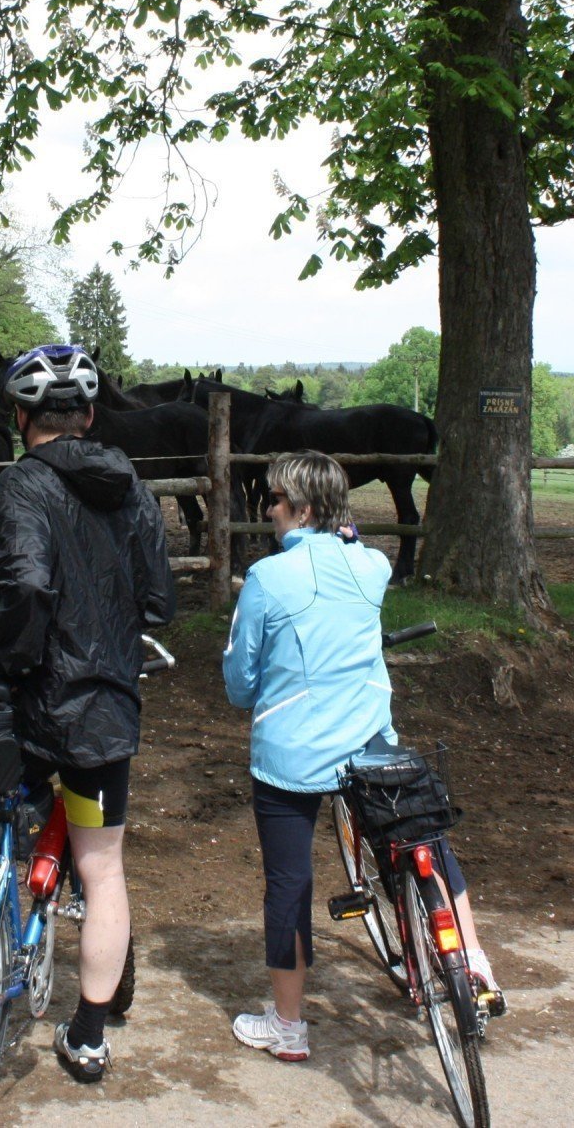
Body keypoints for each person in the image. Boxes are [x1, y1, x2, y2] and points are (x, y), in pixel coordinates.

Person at [0, 344, 175, 1084]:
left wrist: (11, 659)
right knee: (102, 867)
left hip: (33, 700)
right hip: (103, 705)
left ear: (20, 419)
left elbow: (27, 586)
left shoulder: (22, 484)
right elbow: (160, 599)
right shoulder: (132, 487)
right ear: (91, 414)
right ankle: (87, 1034)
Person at [222, 451, 492, 1063]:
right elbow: (358, 554)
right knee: (424, 836)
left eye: (274, 498)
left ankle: (288, 1027)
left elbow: (240, 683)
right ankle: (470, 958)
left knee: (288, 883)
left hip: (291, 756)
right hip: (369, 742)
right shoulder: (372, 567)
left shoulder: (268, 577)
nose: (267, 507)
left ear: (302, 509)